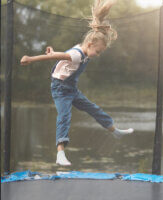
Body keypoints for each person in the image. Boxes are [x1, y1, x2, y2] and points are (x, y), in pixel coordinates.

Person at [20, 0, 134, 166]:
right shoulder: (77, 55)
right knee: (64, 117)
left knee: (93, 109)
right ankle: (60, 154)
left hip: (71, 89)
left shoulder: (82, 50)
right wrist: (31, 59)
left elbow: (61, 55)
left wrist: (54, 52)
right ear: (89, 44)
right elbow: (59, 57)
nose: (98, 54)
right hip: (60, 89)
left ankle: (114, 131)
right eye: (98, 51)